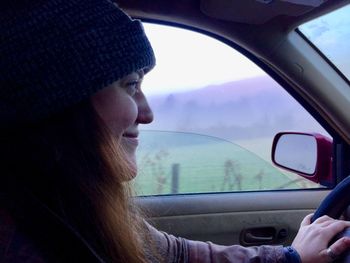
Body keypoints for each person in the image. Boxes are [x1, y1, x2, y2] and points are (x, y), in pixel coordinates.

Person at [0, 0, 349, 262]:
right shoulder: (19, 240)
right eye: (131, 85)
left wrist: (290, 257)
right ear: (60, 98)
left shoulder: (72, 206)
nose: (148, 113)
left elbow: (178, 254)